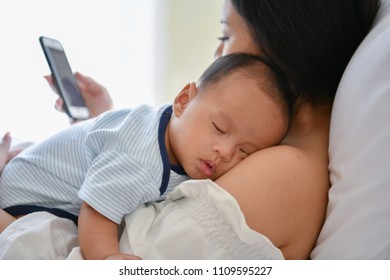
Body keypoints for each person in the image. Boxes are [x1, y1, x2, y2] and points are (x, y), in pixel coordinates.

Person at [0, 0, 380, 260]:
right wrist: (106, 126)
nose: (218, 55)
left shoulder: (282, 175)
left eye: (224, 35)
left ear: (281, 38)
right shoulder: (281, 152)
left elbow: (105, 258)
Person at [0, 53, 291, 260]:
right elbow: (97, 212)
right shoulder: (138, 159)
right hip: (26, 199)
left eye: (245, 152)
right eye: (219, 128)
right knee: (46, 242)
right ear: (183, 101)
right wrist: (107, 258)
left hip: (36, 177)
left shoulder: (176, 134)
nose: (225, 152)